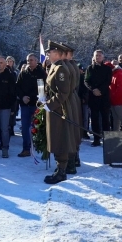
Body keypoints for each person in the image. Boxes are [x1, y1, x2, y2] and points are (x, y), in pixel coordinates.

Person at [42, 41, 73, 184]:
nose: (48, 54)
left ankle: (61, 172)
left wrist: (50, 104)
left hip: (59, 110)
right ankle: (59, 168)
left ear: (58, 54)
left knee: (60, 139)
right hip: (54, 109)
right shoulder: (54, 67)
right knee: (55, 138)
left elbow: (63, 92)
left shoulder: (60, 69)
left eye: (50, 52)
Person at [16, 54, 46, 158]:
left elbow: (42, 89)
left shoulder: (41, 73)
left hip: (35, 105)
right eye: (28, 60)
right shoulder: (23, 73)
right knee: (25, 127)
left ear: (36, 61)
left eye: (31, 60)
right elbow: (17, 87)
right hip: (24, 105)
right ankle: (26, 148)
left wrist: (32, 98)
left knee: (36, 127)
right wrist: (22, 97)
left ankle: (37, 146)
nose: (29, 62)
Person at [83, 50, 112, 147]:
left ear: (103, 57)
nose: (98, 57)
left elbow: (108, 81)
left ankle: (107, 139)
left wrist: (100, 90)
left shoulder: (107, 69)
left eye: (100, 55)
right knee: (94, 119)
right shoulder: (90, 68)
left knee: (105, 119)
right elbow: (86, 81)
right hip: (93, 97)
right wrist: (93, 89)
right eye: (96, 55)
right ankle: (96, 139)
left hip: (104, 97)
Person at [108, 62, 122, 131]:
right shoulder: (113, 75)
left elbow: (120, 89)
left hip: (119, 101)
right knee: (116, 119)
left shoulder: (119, 74)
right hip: (114, 100)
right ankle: (116, 133)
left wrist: (113, 96)